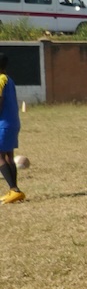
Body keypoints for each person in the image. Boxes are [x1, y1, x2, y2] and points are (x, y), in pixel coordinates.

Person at [0, 53, 23, 203]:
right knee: (8, 155)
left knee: (0, 156)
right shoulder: (10, 79)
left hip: (3, 124)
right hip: (12, 122)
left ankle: (14, 189)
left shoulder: (0, 79)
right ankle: (14, 191)